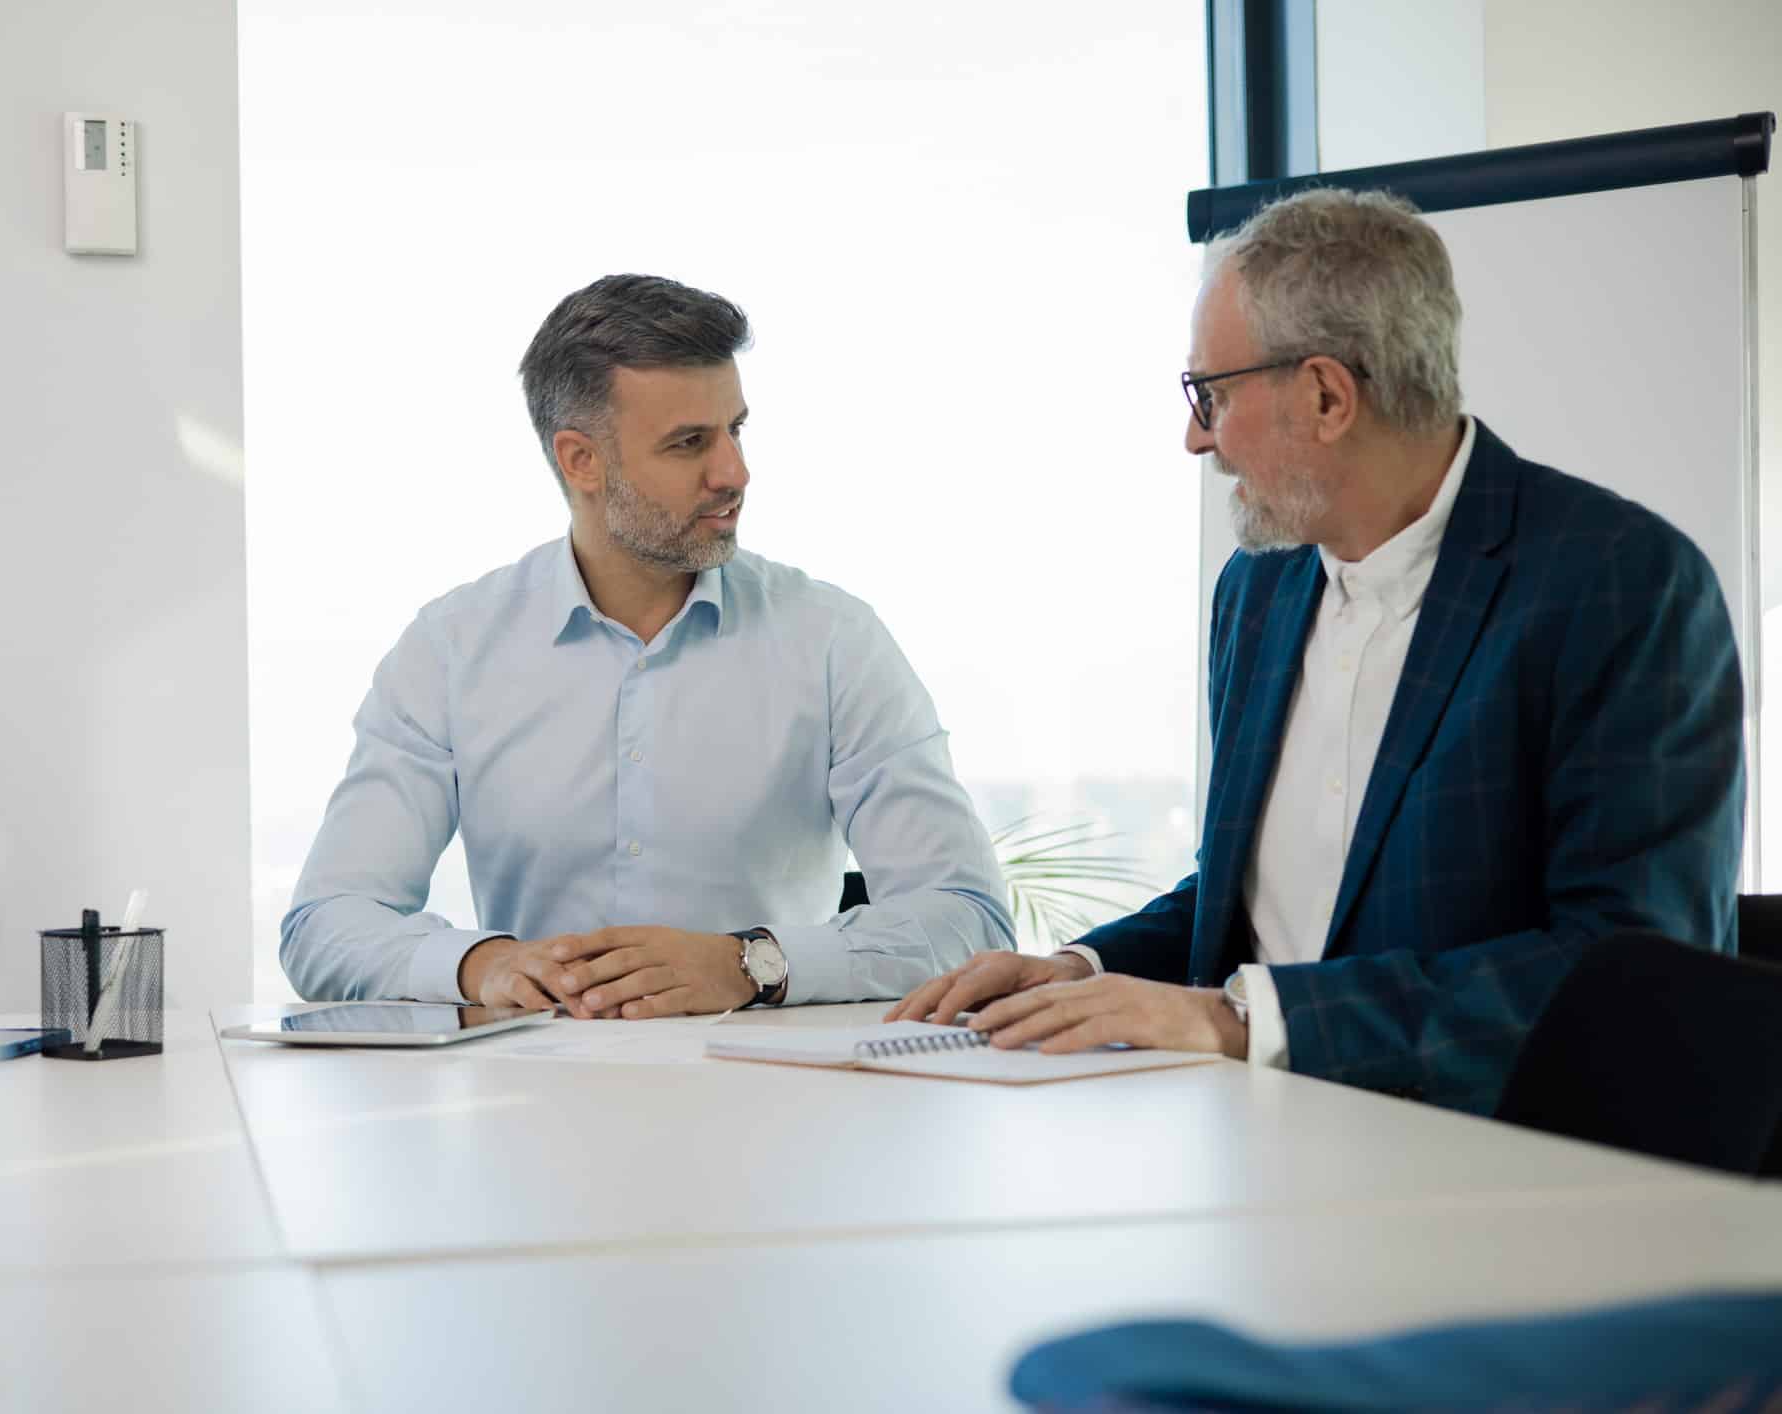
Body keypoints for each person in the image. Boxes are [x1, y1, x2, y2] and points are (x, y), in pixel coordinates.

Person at [890, 188, 1743, 1114]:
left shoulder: (1622, 582)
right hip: (1256, 1147)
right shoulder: (1257, 592)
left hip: (1506, 1177)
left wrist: (1243, 1023)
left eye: (1210, 395)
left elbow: (1630, 970)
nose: (1195, 439)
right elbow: (1249, 900)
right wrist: (1076, 968)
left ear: (1328, 395)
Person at [285, 274, 1013, 1018]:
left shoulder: (834, 641)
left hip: (779, 1102)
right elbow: (326, 924)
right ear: (581, 461)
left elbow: (966, 916)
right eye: (689, 443)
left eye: (737, 429)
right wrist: (485, 963)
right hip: (530, 1103)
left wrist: (750, 963)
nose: (734, 472)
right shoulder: (450, 650)